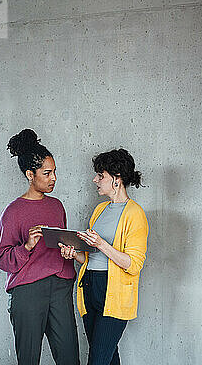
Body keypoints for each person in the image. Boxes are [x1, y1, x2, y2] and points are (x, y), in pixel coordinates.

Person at [0, 129, 79, 365]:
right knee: (29, 359)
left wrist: (68, 252)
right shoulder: (13, 212)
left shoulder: (57, 206)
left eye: (55, 173)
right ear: (30, 174)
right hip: (28, 291)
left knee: (70, 358)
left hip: (61, 286)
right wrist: (28, 246)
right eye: (47, 173)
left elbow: (61, 243)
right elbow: (2, 258)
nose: (53, 178)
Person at [59, 148, 149, 365]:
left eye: (101, 175)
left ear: (116, 179)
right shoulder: (99, 210)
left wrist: (101, 244)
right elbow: (91, 258)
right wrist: (74, 255)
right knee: (108, 358)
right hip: (90, 286)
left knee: (98, 360)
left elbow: (134, 265)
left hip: (114, 292)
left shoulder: (135, 214)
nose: (95, 179)